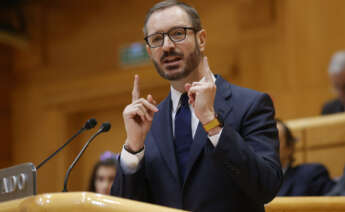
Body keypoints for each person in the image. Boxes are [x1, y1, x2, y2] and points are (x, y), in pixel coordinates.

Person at [111, 1, 282, 211]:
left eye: (178, 33)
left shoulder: (250, 104)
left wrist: (212, 123)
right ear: (149, 51)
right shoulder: (149, 121)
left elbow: (267, 186)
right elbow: (124, 207)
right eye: (157, 39)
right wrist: (133, 148)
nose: (166, 46)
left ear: (201, 40)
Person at [276, 119, 335, 196]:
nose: (266, 146)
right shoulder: (256, 181)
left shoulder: (312, 176)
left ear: (290, 147)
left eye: (274, 141)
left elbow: (333, 205)